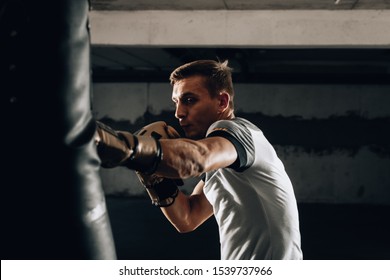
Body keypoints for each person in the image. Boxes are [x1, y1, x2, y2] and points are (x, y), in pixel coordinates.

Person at [95, 59, 303, 260]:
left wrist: (127, 148)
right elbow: (188, 218)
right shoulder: (223, 161)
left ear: (222, 101)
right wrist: (153, 175)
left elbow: (196, 158)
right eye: (176, 102)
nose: (179, 113)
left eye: (189, 100)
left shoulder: (237, 130)